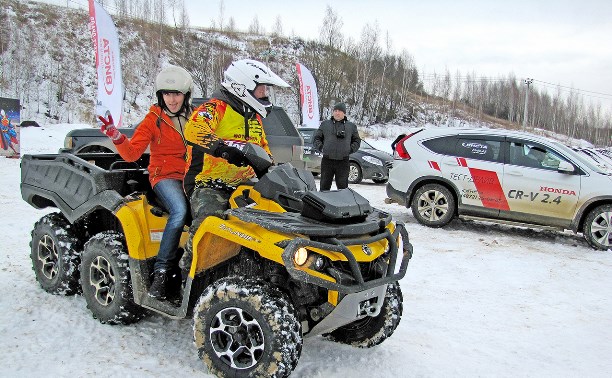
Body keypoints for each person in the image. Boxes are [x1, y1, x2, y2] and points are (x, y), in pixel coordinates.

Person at [97, 65, 193, 300]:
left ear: (186, 95)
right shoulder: (153, 120)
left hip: (192, 176)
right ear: (160, 95)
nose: (172, 99)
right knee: (179, 211)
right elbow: (131, 154)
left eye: (177, 94)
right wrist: (116, 136)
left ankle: (192, 268)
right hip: (165, 176)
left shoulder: (195, 117)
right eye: (167, 94)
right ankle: (161, 273)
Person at [182, 59, 289, 264]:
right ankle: (189, 268)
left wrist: (273, 171)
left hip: (244, 185)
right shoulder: (215, 108)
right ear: (242, 86)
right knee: (210, 218)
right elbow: (193, 130)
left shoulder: (253, 118)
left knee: (275, 219)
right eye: (261, 89)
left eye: (266, 90)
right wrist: (222, 150)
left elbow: (264, 148)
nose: (265, 94)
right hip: (210, 183)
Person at [313, 102, 361, 191]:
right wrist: (321, 147)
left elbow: (357, 141)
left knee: (343, 189)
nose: (337, 113)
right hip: (327, 161)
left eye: (339, 111)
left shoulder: (351, 126)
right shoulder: (325, 124)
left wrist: (349, 150)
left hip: (343, 162)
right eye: (335, 111)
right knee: (324, 187)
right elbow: (316, 138)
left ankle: (342, 204)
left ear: (344, 113)